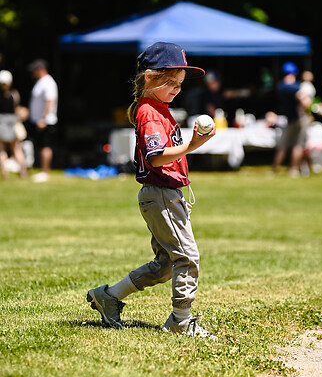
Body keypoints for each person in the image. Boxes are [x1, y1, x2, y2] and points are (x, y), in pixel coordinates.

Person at [87, 41, 217, 338]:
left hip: (162, 194)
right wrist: (191, 146)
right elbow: (156, 156)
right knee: (186, 257)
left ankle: (108, 296)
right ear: (149, 76)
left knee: (165, 265)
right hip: (161, 193)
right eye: (170, 81)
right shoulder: (150, 111)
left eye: (180, 84)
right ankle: (180, 322)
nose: (176, 88)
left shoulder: (158, 108)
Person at [272, 62, 312, 177]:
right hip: (299, 119)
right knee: (298, 144)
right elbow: (305, 101)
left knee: (283, 144)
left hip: (288, 118)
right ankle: (294, 169)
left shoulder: (280, 86)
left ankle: (275, 168)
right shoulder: (296, 87)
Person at [26, 59, 58, 182]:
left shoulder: (48, 82)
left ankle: (45, 172)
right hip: (39, 120)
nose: (33, 72)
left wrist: (43, 119)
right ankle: (42, 170)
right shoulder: (41, 82)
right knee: (40, 146)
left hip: (46, 121)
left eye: (34, 70)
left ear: (40, 69)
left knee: (45, 146)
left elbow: (50, 101)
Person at [0, 70, 28, 179]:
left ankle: (4, 172)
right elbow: (18, 110)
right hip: (13, 122)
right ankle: (23, 172)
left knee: (1, 149)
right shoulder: (14, 94)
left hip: (1, 122)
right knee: (17, 149)